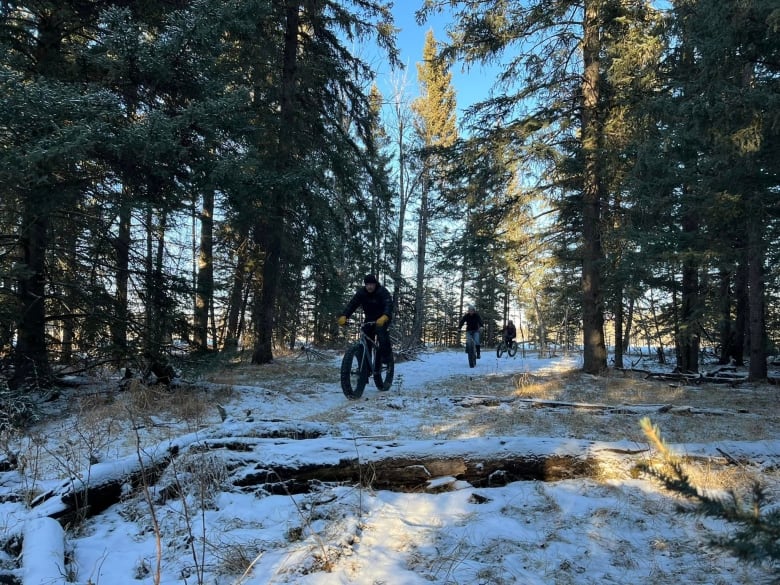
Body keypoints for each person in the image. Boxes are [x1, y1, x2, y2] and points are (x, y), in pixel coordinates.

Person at [337, 274, 394, 365]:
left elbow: (388, 304)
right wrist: (344, 316)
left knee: (381, 333)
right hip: (369, 318)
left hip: (383, 317)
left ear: (375, 284)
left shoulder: (382, 291)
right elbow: (352, 304)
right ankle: (365, 368)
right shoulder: (361, 293)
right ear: (365, 285)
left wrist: (385, 315)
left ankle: (386, 357)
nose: (370, 286)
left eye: (372, 284)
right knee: (365, 341)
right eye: (367, 284)